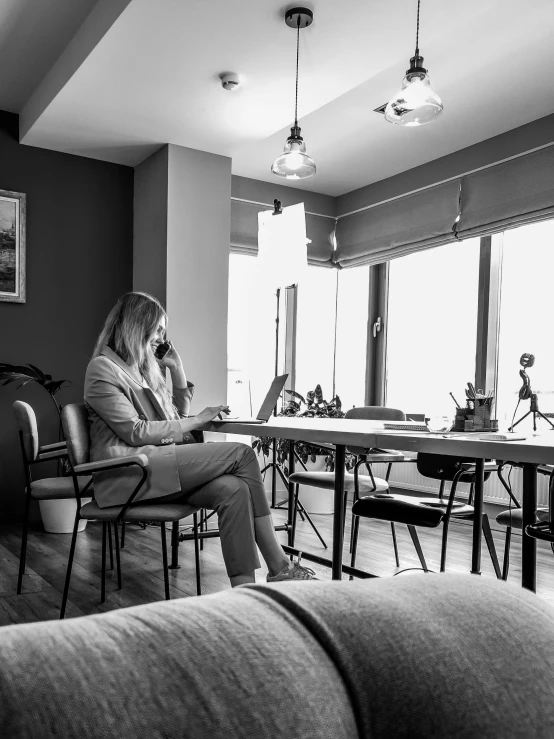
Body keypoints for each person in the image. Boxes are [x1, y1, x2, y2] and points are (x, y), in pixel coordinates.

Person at [84, 291, 316, 587]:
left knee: (234, 489)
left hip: (159, 466)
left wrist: (177, 370)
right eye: (157, 330)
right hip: (129, 472)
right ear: (136, 326)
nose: (161, 338)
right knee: (243, 455)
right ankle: (280, 566)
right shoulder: (103, 369)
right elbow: (135, 431)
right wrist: (197, 420)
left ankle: (244, 591)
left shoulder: (139, 370)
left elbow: (173, 417)